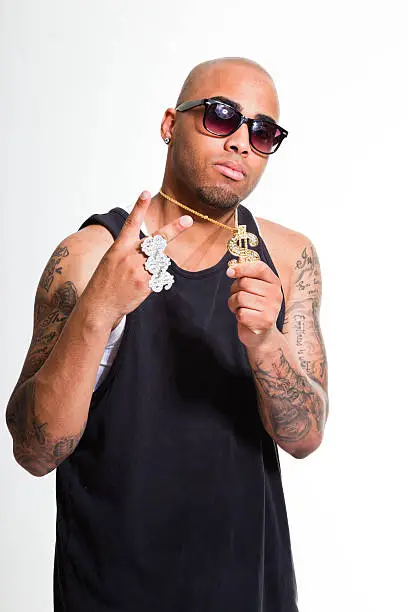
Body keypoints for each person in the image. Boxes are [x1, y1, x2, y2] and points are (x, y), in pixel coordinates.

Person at [5, 56, 329, 611]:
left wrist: (267, 345)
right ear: (168, 124)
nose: (241, 143)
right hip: (111, 592)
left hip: (250, 592)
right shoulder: (86, 259)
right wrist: (98, 310)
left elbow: (304, 437)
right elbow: (35, 450)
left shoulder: (287, 257)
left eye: (262, 131)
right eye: (221, 117)